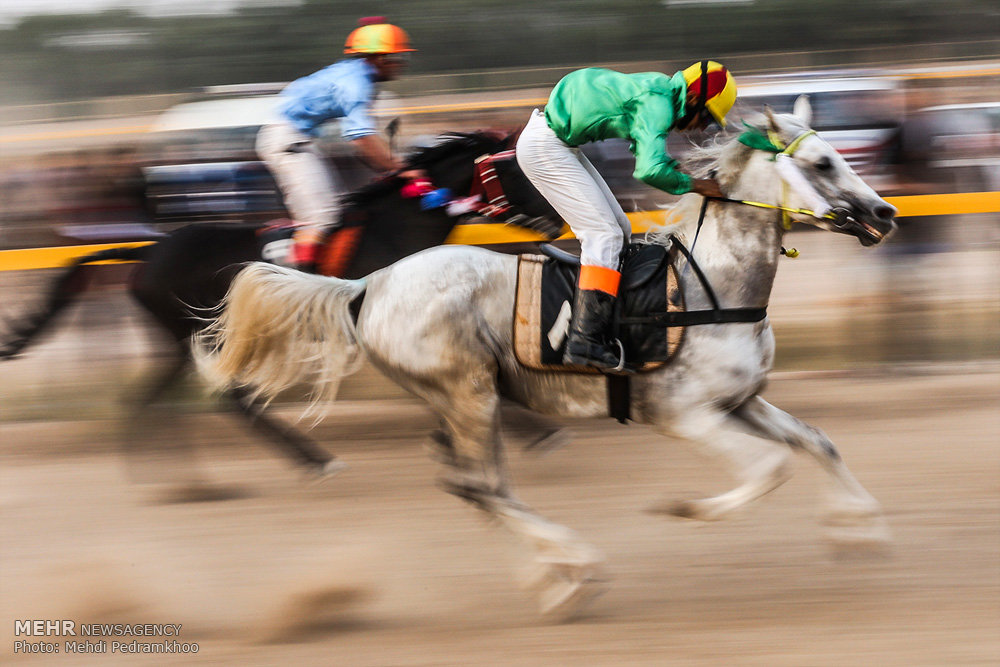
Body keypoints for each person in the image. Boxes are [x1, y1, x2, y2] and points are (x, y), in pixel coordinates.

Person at [515, 60, 737, 370]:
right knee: (603, 236)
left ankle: (607, 323)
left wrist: (687, 177)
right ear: (695, 99)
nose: (703, 128)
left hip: (559, 143)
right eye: (709, 119)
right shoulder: (658, 104)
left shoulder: (661, 92)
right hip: (545, 146)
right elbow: (649, 170)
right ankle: (583, 342)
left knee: (618, 227)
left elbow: (650, 154)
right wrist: (699, 186)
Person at [256, 17, 419, 271]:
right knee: (321, 218)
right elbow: (362, 139)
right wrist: (398, 167)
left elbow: (365, 139)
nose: (402, 65)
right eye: (400, 58)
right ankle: (301, 288)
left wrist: (389, 166)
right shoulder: (357, 84)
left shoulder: (357, 75)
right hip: (287, 140)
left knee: (344, 207)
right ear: (380, 58)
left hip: (298, 140)